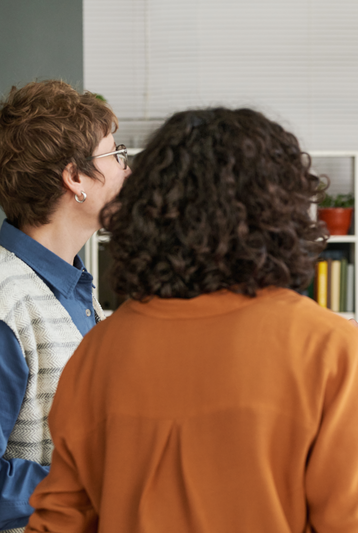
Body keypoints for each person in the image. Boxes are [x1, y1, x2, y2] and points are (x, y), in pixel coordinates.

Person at [24, 107, 358, 533]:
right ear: (280, 210)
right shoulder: (325, 344)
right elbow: (348, 525)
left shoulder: (98, 349)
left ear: (149, 212)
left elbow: (60, 522)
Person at [0, 80, 128, 533]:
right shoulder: (6, 303)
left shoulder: (73, 283)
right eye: (115, 155)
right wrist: (99, 485)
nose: (125, 170)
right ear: (75, 178)